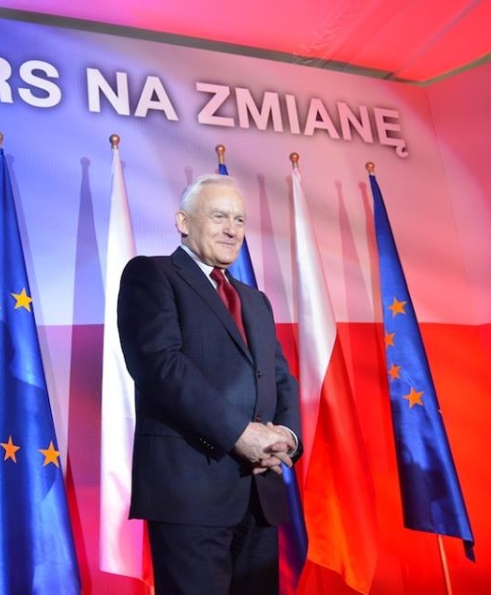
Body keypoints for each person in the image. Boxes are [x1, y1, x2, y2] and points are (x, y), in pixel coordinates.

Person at [117, 173, 302, 594]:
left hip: (258, 492)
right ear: (183, 222)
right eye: (219, 216)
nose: (232, 230)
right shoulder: (152, 275)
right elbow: (161, 367)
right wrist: (241, 434)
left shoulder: (255, 299)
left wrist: (286, 438)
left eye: (239, 219)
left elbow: (279, 377)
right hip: (189, 494)